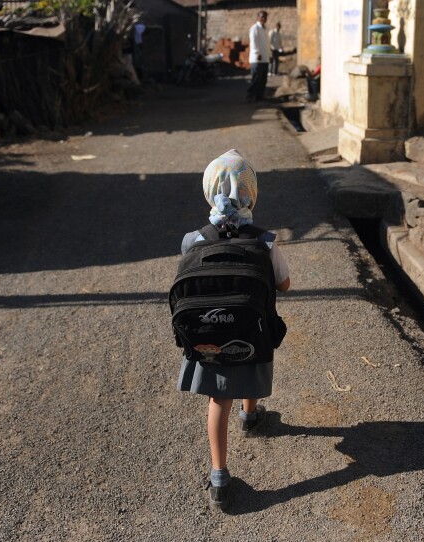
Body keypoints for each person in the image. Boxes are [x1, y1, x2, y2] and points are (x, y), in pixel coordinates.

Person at [176, 149, 291, 511]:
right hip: (252, 336)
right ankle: (250, 415)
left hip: (208, 339)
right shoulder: (266, 240)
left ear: (209, 191)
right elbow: (284, 285)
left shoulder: (192, 240)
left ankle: (219, 476)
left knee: (217, 400)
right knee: (251, 348)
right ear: (250, 193)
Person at [247, 11, 270, 101]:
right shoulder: (254, 28)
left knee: (263, 79)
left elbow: (266, 43)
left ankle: (259, 96)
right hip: (257, 58)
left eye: (265, 17)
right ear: (258, 17)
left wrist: (269, 54)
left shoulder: (265, 29)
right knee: (256, 79)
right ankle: (250, 95)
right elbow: (254, 42)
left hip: (265, 58)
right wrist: (257, 53)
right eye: (262, 17)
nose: (263, 18)